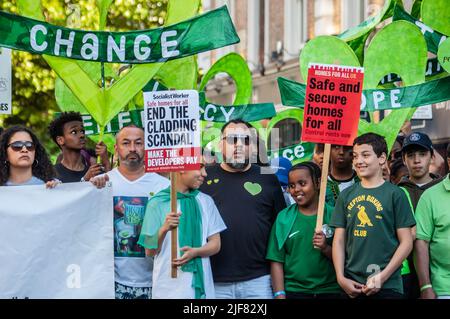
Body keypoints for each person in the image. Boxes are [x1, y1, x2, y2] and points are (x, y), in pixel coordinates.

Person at [200, 119, 287, 299]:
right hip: (214, 280)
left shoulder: (268, 178)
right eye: (233, 140)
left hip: (259, 280)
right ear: (219, 144)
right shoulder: (204, 177)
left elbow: (280, 228)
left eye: (246, 140)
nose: (239, 145)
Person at [330, 133, 415, 299]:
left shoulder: (396, 194)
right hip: (351, 284)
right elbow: (339, 240)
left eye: (365, 155)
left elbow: (406, 242)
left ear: (382, 158)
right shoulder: (345, 195)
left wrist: (382, 277)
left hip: (388, 285)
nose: (359, 161)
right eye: (355, 156)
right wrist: (341, 278)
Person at [93, 125, 170, 299]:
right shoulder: (101, 184)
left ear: (146, 147)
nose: (133, 148)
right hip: (111, 284)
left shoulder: (163, 187)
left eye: (138, 143)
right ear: (116, 148)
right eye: (126, 143)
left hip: (156, 283)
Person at [138, 157, 226, 299]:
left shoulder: (205, 201)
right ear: (182, 167)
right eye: (200, 167)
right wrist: (164, 228)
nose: (205, 173)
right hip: (167, 288)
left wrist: (196, 252)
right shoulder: (157, 203)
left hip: (202, 286)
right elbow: (150, 251)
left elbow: (216, 244)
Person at [267, 162, 341, 299]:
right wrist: (279, 294)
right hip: (295, 291)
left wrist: (325, 248)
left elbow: (345, 259)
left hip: (330, 291)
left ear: (318, 183)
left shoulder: (334, 215)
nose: (296, 189)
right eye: (292, 185)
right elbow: (276, 260)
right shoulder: (283, 218)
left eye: (302, 183)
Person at [414, 162, 450, 299]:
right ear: (449, 161)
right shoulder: (430, 196)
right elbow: (421, 242)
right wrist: (425, 286)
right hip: (444, 288)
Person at [48, 112, 110, 183]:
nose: (82, 135)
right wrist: (84, 180)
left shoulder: (94, 173)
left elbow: (110, 190)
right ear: (60, 140)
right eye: (74, 132)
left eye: (82, 131)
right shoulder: (51, 174)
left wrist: (106, 162)